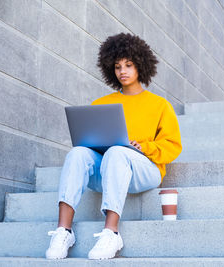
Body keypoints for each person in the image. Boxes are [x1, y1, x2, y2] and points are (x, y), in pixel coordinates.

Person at [45, 32, 182, 260]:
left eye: (129, 65)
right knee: (78, 153)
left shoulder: (160, 105)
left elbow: (172, 147)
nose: (123, 71)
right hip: (107, 169)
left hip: (144, 170)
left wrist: (143, 147)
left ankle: (111, 232)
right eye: (117, 66)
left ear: (141, 65)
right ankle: (64, 231)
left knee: (119, 151)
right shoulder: (101, 104)